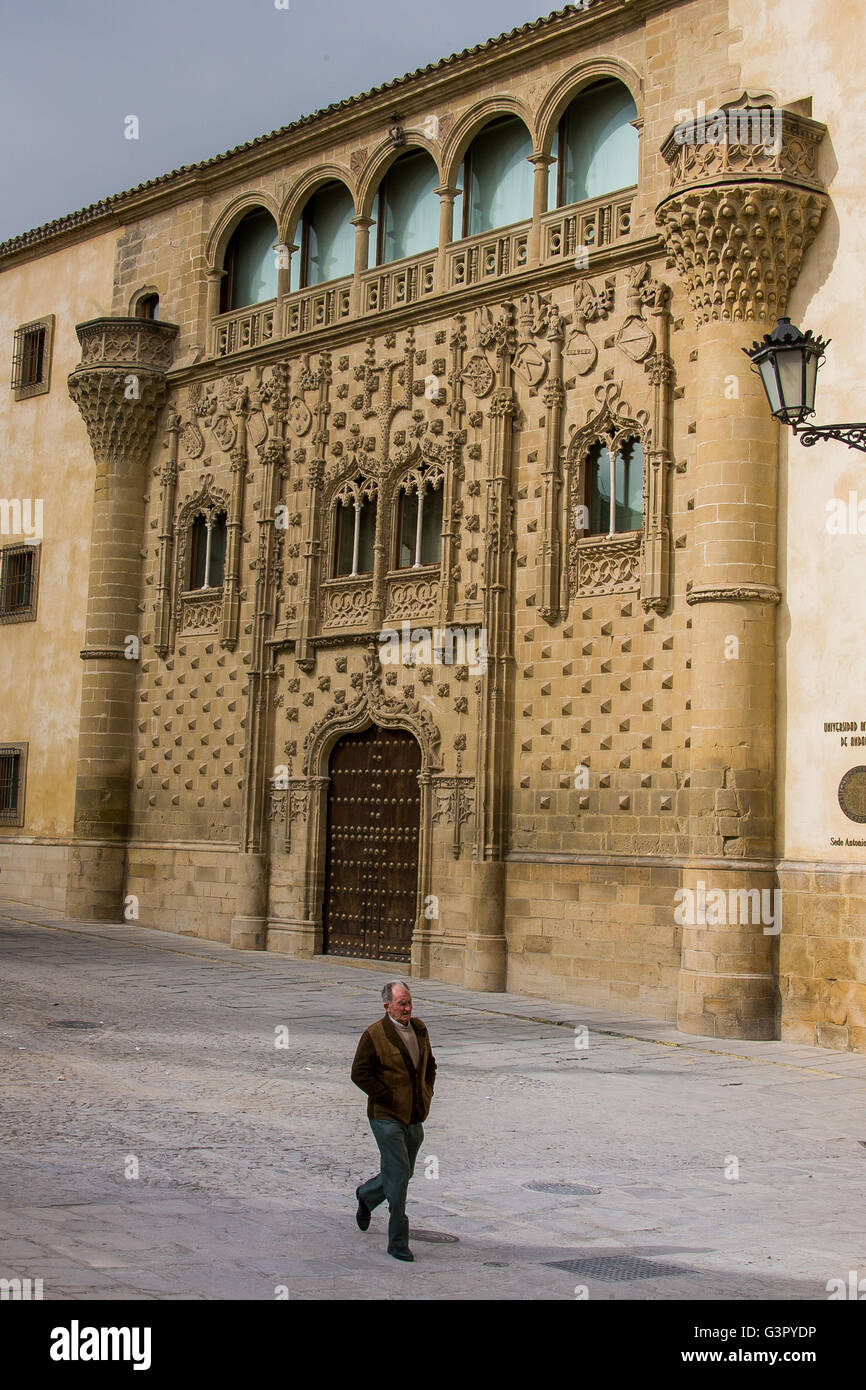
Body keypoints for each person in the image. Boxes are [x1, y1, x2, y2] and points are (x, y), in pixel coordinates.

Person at [350, 980, 437, 1262]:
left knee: (404, 1173)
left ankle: (367, 1195)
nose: (407, 1008)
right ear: (387, 1006)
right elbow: (359, 1073)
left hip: (413, 1115)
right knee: (399, 1176)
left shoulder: (420, 1029)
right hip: (385, 1117)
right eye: (402, 1004)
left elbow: (430, 1066)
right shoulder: (374, 1034)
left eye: (409, 1002)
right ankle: (398, 1240)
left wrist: (426, 1092)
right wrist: (387, 1096)